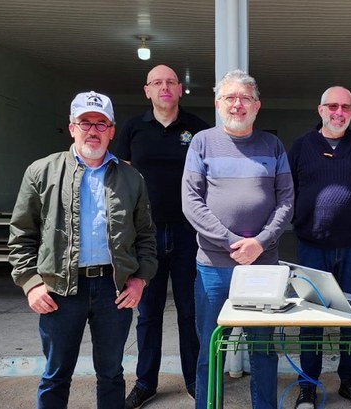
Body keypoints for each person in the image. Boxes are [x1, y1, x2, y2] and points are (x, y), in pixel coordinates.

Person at [8, 91, 158, 409]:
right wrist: (31, 283)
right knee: (55, 375)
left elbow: (146, 237)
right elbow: (22, 234)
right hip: (60, 290)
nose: (93, 130)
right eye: (85, 122)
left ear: (112, 130)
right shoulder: (41, 172)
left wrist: (140, 279)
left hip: (112, 289)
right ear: (72, 127)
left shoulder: (131, 179)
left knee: (111, 374)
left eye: (101, 123)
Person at [182, 69, 294, 409]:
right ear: (218, 104)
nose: (238, 104)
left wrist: (260, 242)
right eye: (230, 97)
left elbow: (286, 201)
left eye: (245, 98)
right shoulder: (201, 142)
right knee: (211, 348)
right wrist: (232, 241)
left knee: (262, 348)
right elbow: (191, 201)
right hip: (214, 267)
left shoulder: (272, 145)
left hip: (262, 266)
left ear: (257, 106)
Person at [113, 64, 210, 408]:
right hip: (146, 236)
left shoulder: (198, 129)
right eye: (158, 82)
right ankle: (145, 383)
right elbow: (120, 179)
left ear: (180, 89)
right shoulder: (133, 129)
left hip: (188, 234)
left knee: (189, 312)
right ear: (147, 90)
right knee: (148, 313)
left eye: (170, 82)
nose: (164, 87)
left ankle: (196, 381)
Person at [287, 86, 351, 409]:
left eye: (346, 107)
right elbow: (290, 191)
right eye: (332, 106)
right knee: (311, 317)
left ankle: (349, 380)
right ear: (320, 109)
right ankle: (308, 384)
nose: (339, 112)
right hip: (312, 246)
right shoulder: (301, 146)